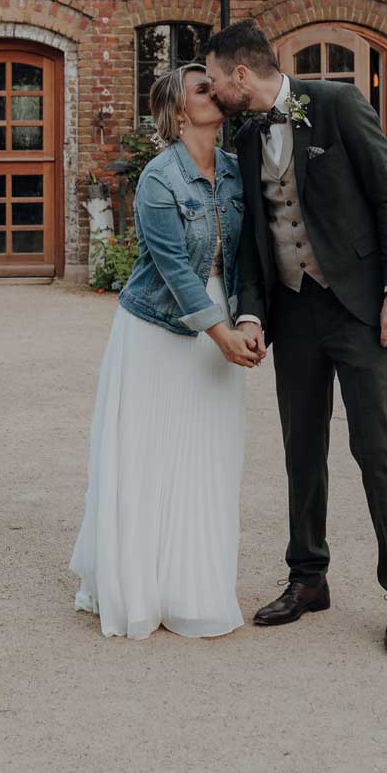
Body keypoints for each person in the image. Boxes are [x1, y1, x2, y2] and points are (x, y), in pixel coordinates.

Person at [204, 21, 387, 653]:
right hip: (293, 311)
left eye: (216, 79)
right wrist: (251, 314)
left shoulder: (337, 105)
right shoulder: (246, 139)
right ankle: (308, 578)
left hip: (356, 307)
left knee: (376, 447)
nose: (215, 90)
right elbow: (250, 242)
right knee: (302, 447)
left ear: (240, 74)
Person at [69, 63, 263, 640]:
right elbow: (175, 269)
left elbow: (248, 253)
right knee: (151, 455)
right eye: (203, 89)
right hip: (157, 330)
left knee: (209, 454)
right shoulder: (159, 178)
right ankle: (140, 586)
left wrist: (246, 319)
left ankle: (194, 585)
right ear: (180, 112)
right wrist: (220, 333)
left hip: (220, 325)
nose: (217, 93)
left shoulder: (234, 172)